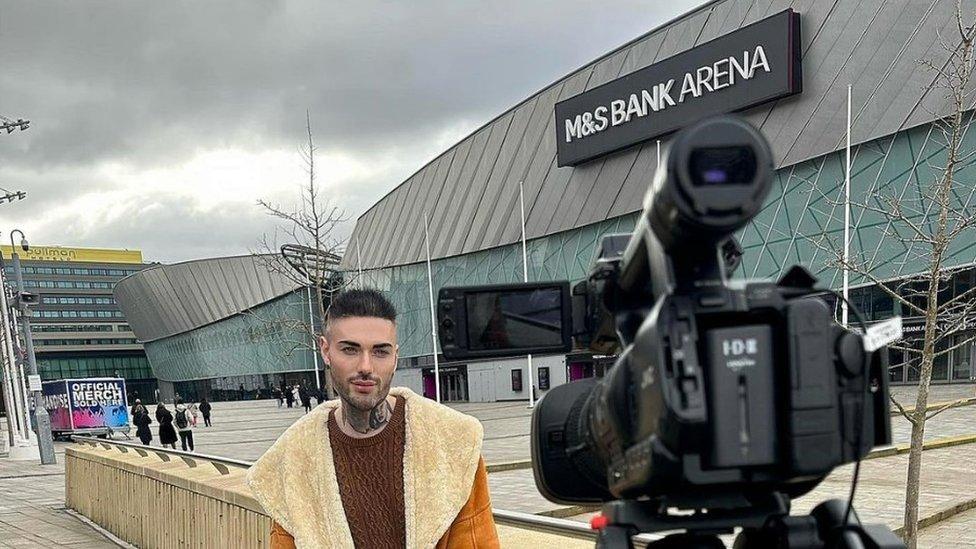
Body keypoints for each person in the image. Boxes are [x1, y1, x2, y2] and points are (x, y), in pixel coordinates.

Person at [247, 289, 498, 548]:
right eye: (350, 349)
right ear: (325, 350)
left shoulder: (452, 441)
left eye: (380, 352)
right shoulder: (295, 457)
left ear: (395, 356)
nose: (366, 366)